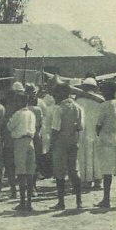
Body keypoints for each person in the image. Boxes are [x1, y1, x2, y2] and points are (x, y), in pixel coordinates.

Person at [94, 81, 116, 209]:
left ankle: (106, 199)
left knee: (107, 171)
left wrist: (98, 131)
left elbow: (98, 124)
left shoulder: (104, 105)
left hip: (106, 136)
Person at [50, 82, 84, 210]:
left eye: (56, 93)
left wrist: (51, 145)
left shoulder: (59, 108)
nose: (55, 96)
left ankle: (61, 202)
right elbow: (81, 127)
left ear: (62, 93)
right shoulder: (78, 107)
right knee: (73, 171)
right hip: (73, 141)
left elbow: (55, 129)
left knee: (59, 172)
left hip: (60, 142)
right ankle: (79, 201)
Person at [6, 92, 36, 211]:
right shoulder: (31, 113)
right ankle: (29, 202)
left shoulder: (18, 114)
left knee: (21, 172)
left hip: (20, 142)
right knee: (29, 173)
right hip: (30, 141)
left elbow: (9, 126)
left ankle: (23, 202)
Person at [76, 77, 102, 188]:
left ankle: (86, 180)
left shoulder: (78, 101)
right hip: (96, 131)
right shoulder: (100, 99)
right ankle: (98, 180)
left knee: (84, 156)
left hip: (83, 131)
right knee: (96, 156)